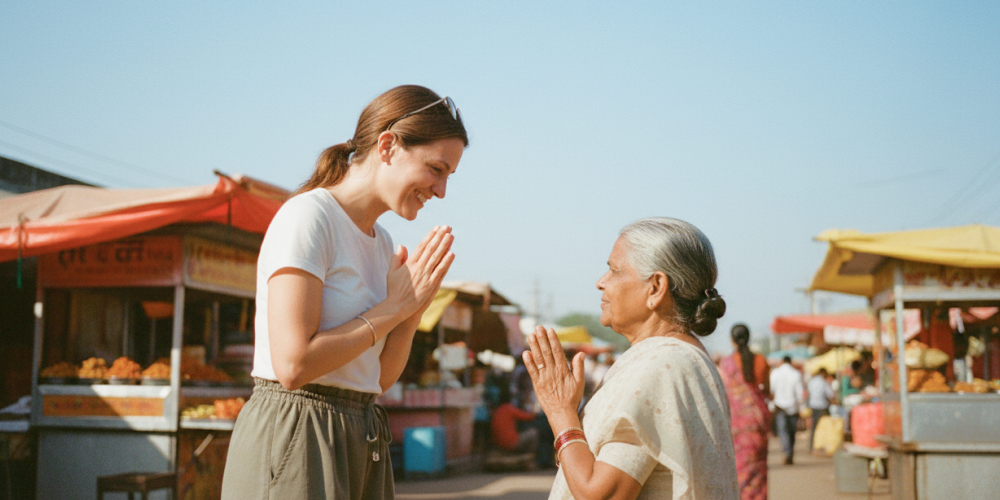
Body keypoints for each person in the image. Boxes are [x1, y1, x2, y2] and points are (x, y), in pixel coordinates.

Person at [221, 85, 468, 500]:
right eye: (436, 169)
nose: (441, 190)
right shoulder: (308, 217)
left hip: (361, 429)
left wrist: (409, 317)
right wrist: (393, 308)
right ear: (387, 146)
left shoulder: (384, 244)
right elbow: (293, 364)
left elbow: (376, 380)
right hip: (297, 428)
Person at [524, 217, 738, 500]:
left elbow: (600, 494)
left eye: (614, 270)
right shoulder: (681, 357)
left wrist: (561, 412)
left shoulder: (661, 366)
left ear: (656, 287)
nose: (601, 282)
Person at [718, 324, 770, 500]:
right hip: (758, 419)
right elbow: (767, 391)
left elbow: (723, 393)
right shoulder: (761, 361)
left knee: (739, 468)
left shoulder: (726, 363)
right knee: (759, 469)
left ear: (732, 340)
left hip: (736, 421)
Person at [769, 355, 804, 465]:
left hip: (780, 406)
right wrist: (801, 407)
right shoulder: (796, 374)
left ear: (782, 362)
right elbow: (800, 393)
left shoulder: (775, 373)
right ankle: (790, 452)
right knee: (792, 432)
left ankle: (787, 452)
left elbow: (771, 390)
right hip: (793, 407)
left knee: (783, 431)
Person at [491, 386, 539, 453]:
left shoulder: (497, 410)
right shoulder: (509, 408)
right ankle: (530, 456)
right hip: (511, 443)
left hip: (499, 444)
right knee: (534, 433)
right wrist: (537, 409)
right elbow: (529, 417)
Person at [807, 368, 835, 452]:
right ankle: (824, 446)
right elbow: (830, 394)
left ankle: (812, 446)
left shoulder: (811, 381)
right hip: (823, 407)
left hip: (813, 406)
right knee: (825, 427)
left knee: (814, 428)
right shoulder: (823, 382)